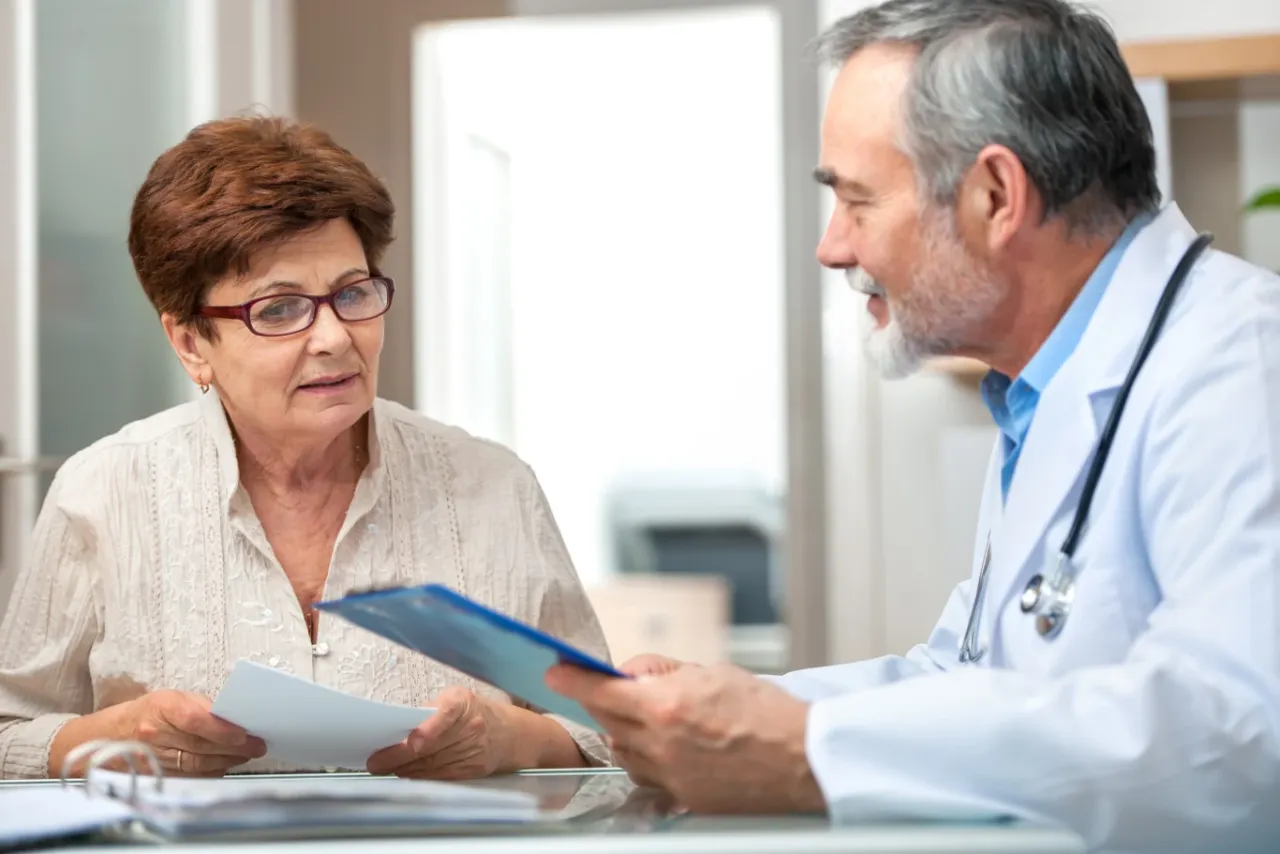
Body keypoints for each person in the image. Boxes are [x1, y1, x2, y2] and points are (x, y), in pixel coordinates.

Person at [545, 1, 1280, 851]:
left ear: (996, 196)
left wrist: (808, 752)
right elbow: (962, 679)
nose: (832, 246)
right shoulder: (1042, 392)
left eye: (857, 201)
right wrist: (737, 707)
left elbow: (1243, 737)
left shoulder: (1244, 368)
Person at [0, 116, 612, 781]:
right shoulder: (105, 491)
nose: (334, 338)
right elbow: (10, 735)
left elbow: (610, 733)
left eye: (353, 294)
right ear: (190, 344)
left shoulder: (493, 486)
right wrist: (104, 737)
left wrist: (509, 739)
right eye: (281, 309)